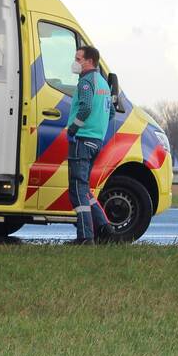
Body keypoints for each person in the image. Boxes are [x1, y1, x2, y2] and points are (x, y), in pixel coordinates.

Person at [65, 45, 115, 244]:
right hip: (96, 141)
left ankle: (85, 237)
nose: (75, 62)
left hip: (82, 140)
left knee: (77, 190)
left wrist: (73, 129)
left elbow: (85, 107)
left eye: (79, 59)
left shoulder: (86, 82)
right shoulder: (103, 83)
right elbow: (110, 113)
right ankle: (104, 227)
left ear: (90, 62)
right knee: (84, 188)